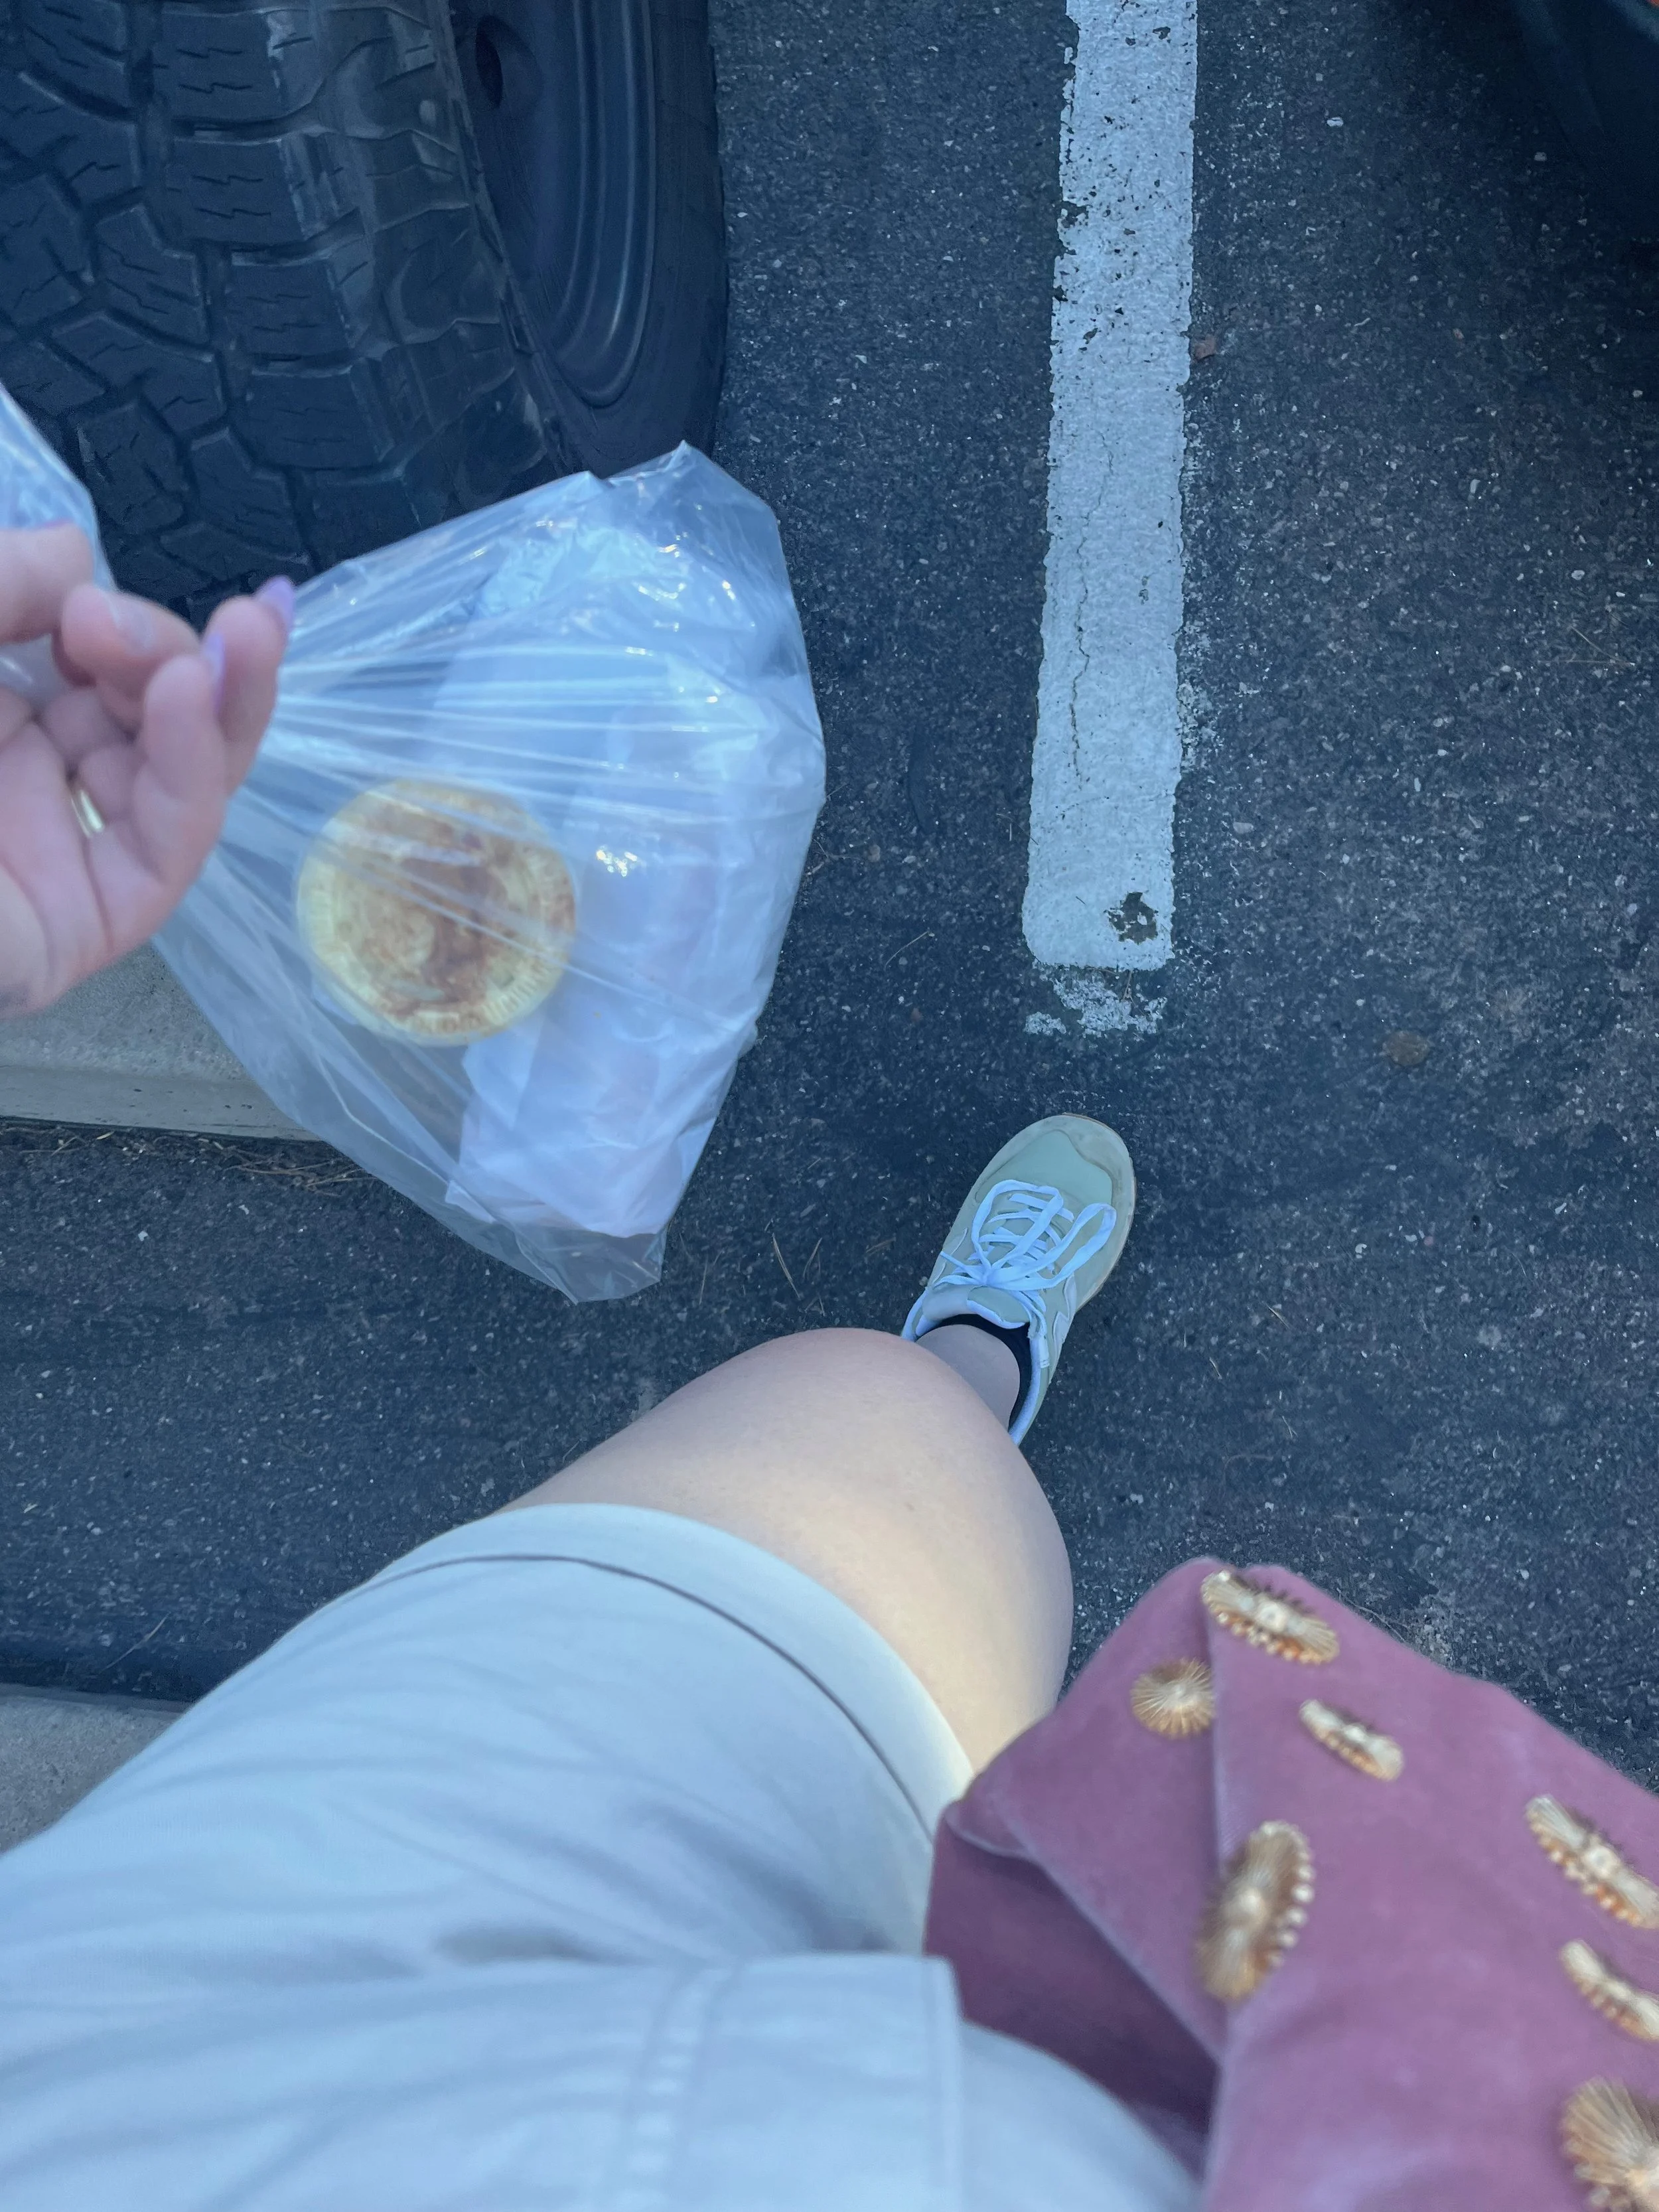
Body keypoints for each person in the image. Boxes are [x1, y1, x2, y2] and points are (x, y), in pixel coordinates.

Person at [0, 526, 1193, 2206]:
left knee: (875, 1428)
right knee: (907, 1506)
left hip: (177, 2030)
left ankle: (969, 1371)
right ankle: (968, 1385)